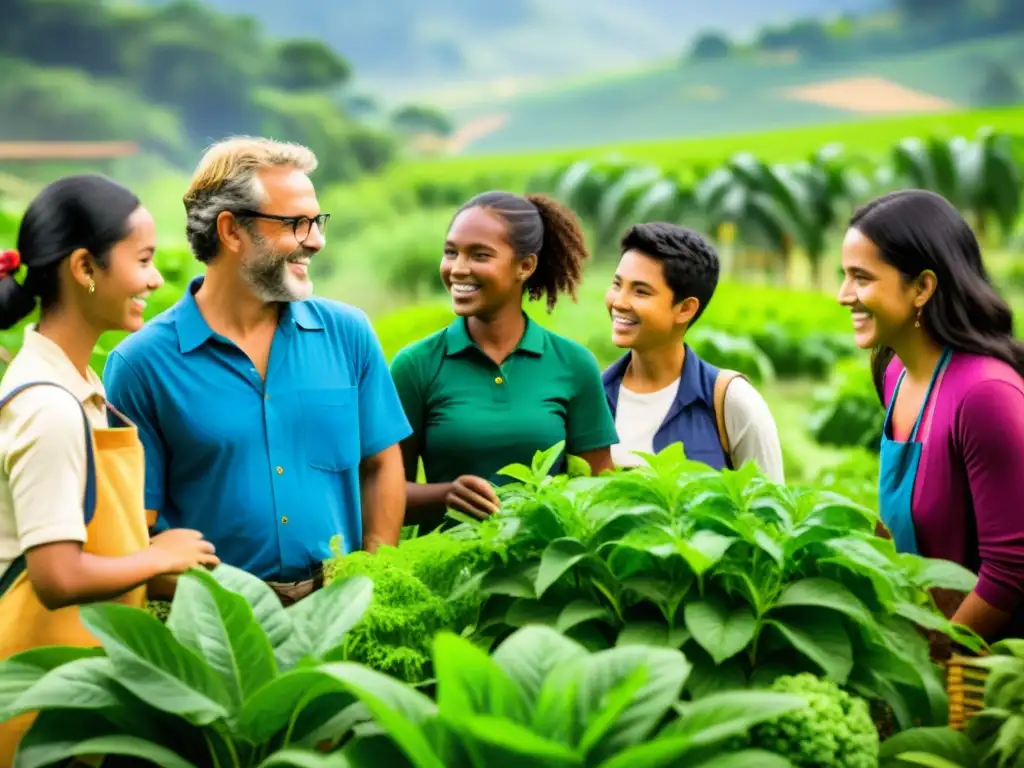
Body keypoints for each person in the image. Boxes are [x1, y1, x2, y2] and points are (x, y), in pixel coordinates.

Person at [103, 137, 410, 605]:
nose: (316, 239)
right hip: (215, 623)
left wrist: (371, 576)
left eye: (317, 221)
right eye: (297, 224)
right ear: (231, 231)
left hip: (338, 612)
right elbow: (132, 535)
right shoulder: (141, 365)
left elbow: (382, 463)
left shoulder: (348, 333)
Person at [0, 175, 218, 762]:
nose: (154, 278)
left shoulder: (83, 386)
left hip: (77, 697)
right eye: (142, 259)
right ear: (83, 268)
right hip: (38, 715)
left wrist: (157, 569)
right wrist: (158, 556)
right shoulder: (48, 405)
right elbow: (57, 577)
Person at [837, 188, 1024, 645]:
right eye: (844, 276)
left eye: (862, 278)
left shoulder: (986, 396)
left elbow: (1011, 570)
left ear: (922, 287)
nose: (844, 295)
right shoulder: (895, 373)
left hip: (991, 671)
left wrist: (936, 658)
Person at [390, 190, 618, 527]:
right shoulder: (416, 365)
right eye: (451, 252)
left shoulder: (573, 364)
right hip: (451, 572)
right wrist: (444, 496)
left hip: (546, 571)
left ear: (525, 266)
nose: (458, 269)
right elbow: (382, 493)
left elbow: (599, 491)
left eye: (480, 255)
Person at [602, 222, 784, 481]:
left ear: (685, 309)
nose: (619, 302)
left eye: (641, 291)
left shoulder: (732, 402)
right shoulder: (590, 399)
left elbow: (770, 510)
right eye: (617, 285)